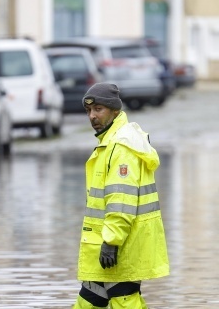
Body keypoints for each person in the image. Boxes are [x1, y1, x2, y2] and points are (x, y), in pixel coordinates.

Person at [73, 83, 169, 308]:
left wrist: (111, 241)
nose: (92, 116)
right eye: (89, 111)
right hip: (108, 243)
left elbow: (121, 199)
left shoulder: (121, 146)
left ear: (114, 110)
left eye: (98, 109)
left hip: (118, 244)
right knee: (90, 298)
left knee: (124, 299)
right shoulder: (110, 143)